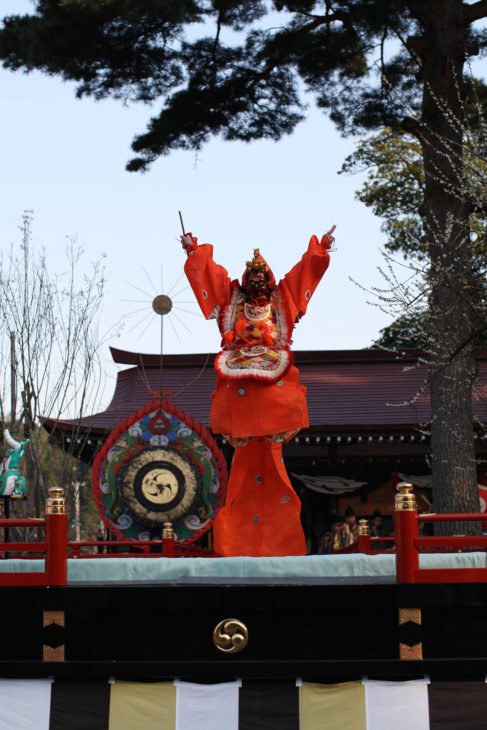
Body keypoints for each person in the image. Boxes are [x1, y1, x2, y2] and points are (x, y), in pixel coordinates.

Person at [181, 227, 335, 556]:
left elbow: (301, 274)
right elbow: (213, 277)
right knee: (243, 463)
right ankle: (238, 539)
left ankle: (277, 541)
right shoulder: (232, 299)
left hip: (271, 381)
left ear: (269, 279)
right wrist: (193, 252)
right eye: (252, 278)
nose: (257, 284)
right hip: (238, 379)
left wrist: (320, 250)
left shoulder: (282, 299)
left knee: (273, 454)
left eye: (261, 277)